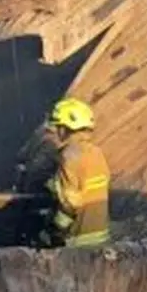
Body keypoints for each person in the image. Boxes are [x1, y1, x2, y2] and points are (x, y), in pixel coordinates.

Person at [43, 98, 110, 247]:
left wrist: (55, 230)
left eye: (57, 126)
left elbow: (71, 203)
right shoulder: (96, 153)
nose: (55, 132)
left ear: (64, 129)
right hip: (100, 240)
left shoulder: (69, 156)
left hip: (76, 244)